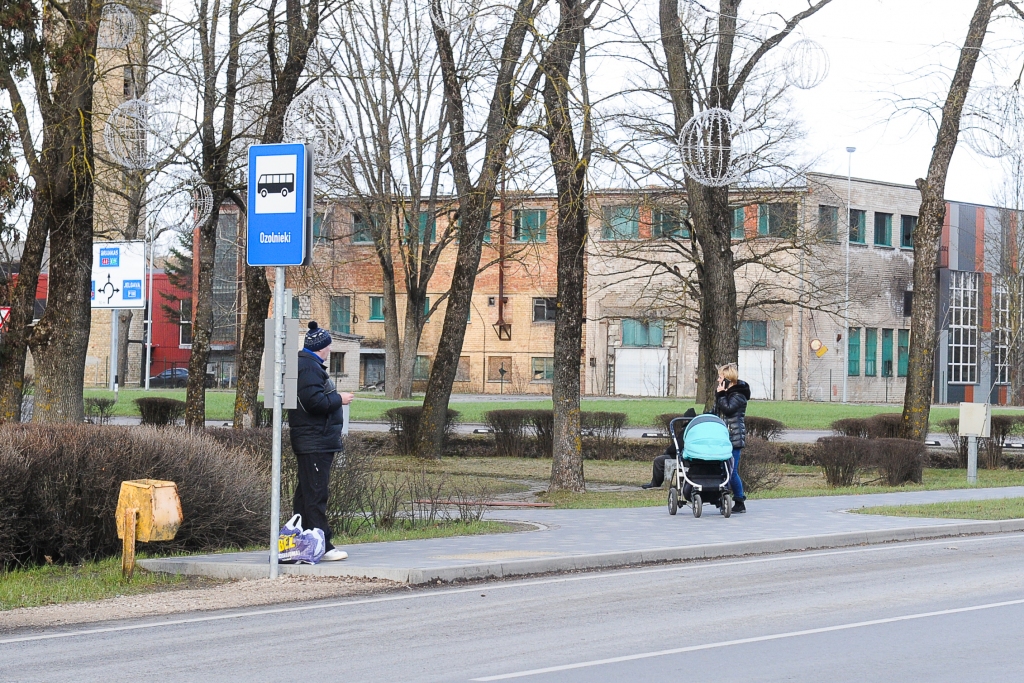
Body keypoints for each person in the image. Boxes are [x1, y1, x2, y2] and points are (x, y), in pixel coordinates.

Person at [288, 321, 354, 562]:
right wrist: (340, 399)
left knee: (307, 494)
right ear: (323, 348)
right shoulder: (308, 368)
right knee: (316, 494)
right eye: (328, 346)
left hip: (313, 439)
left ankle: (306, 542)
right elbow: (314, 402)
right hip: (315, 440)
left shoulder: (306, 365)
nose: (329, 350)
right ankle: (322, 545)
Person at [715, 363, 750, 513]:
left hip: (734, 438)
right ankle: (722, 497)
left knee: (732, 471)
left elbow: (728, 409)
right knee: (723, 469)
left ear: (728, 380)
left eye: (720, 377)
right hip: (724, 437)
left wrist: (721, 395)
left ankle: (739, 501)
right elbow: (718, 411)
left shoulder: (738, 395)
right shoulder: (728, 394)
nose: (718, 380)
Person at [641, 408, 697, 489]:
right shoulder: (697, 430)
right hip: (695, 456)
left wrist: (667, 451)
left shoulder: (686, 430)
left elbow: (677, 446)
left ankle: (655, 484)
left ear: (685, 420)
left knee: (659, 460)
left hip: (685, 457)